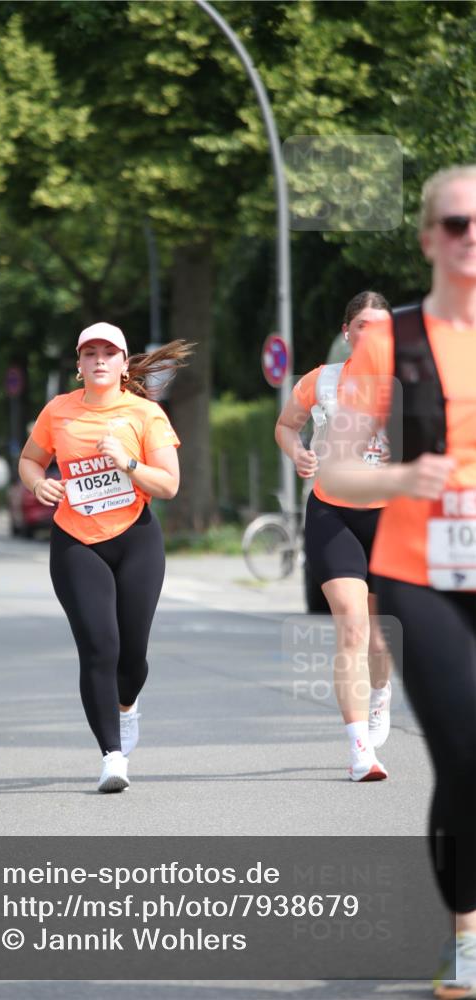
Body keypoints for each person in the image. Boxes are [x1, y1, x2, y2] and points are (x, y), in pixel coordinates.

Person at [319, 166, 476, 998]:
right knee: (463, 758)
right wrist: (402, 477)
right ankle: (465, 938)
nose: (470, 235)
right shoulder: (389, 342)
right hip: (424, 568)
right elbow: (338, 467)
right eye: (455, 223)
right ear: (427, 238)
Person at [19, 322, 188, 793]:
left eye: (108, 353)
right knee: (99, 646)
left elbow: (170, 485)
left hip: (136, 540)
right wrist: (38, 482)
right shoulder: (58, 410)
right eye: (89, 353)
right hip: (76, 541)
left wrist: (127, 463)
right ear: (78, 364)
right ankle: (112, 757)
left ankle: (126, 706)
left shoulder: (145, 413)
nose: (98, 360)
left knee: (132, 658)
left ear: (123, 363)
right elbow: (30, 460)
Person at [275, 292, 395, 782]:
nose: (372, 334)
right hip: (332, 511)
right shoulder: (320, 380)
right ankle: (360, 750)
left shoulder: (407, 383)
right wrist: (297, 452)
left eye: (381, 326)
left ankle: (380, 694)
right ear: (347, 332)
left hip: (390, 516)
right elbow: (286, 426)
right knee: (352, 626)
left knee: (380, 635)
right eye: (363, 324)